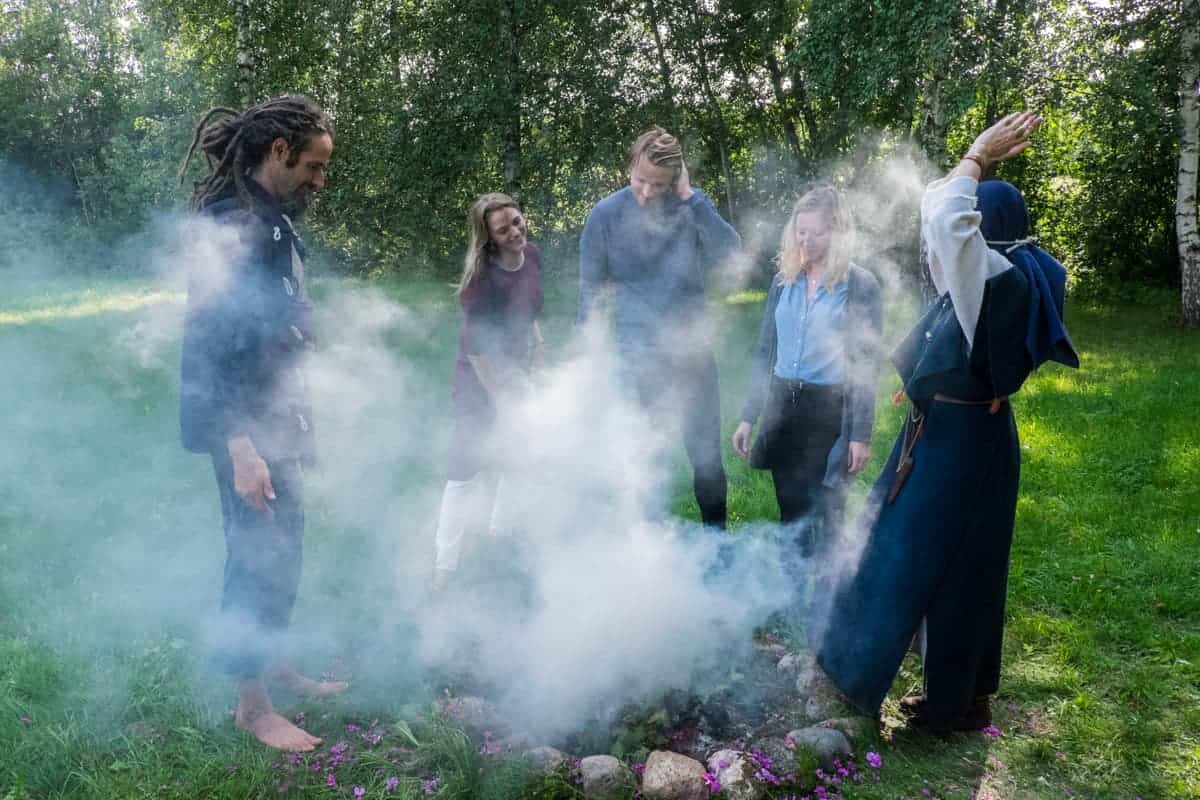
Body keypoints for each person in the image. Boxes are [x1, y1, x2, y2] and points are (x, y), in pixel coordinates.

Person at [813, 112, 1079, 732]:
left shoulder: (989, 276)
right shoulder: (1016, 268)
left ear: (983, 230)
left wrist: (977, 156)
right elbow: (943, 220)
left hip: (958, 446)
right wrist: (969, 165)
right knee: (969, 567)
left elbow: (947, 221)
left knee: (902, 553)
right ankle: (959, 700)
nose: (938, 250)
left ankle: (861, 680)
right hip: (970, 434)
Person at [178, 95, 347, 752]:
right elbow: (209, 346)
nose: (320, 180)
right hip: (243, 424)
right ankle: (250, 704)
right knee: (256, 551)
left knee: (286, 542)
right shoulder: (230, 225)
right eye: (313, 164)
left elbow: (272, 310)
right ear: (277, 153)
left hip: (281, 414)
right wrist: (242, 449)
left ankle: (272, 663)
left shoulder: (268, 218)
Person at [578, 127, 741, 527]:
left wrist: (691, 198)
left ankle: (717, 542)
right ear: (630, 165)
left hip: (692, 358)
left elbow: (734, 256)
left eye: (659, 185)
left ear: (676, 180)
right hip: (636, 361)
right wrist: (589, 357)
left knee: (706, 461)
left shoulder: (690, 207)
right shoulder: (605, 215)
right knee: (641, 461)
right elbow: (589, 293)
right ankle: (643, 550)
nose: (647, 192)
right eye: (640, 180)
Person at [731, 185, 883, 562]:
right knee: (790, 509)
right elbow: (766, 351)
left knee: (828, 512)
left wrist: (860, 436)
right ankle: (791, 596)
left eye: (816, 233)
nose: (806, 240)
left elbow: (866, 365)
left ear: (838, 232)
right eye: (800, 231)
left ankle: (830, 603)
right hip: (784, 405)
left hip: (828, 410)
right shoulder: (784, 279)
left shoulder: (860, 285)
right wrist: (749, 417)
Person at [431, 193, 544, 589]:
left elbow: (529, 311)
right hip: (477, 380)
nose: (515, 231)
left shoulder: (532, 255)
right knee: (465, 470)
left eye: (517, 220)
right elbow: (477, 351)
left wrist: (538, 348)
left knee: (520, 454)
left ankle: (501, 534)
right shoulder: (481, 281)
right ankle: (444, 567)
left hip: (515, 370)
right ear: (489, 238)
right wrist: (503, 400)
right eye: (503, 229)